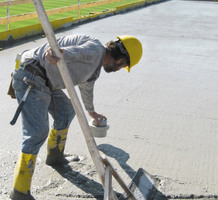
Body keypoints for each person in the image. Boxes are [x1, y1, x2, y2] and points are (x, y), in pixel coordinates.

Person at [9, 34, 142, 200]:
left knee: (66, 110)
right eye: (123, 66)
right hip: (32, 74)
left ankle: (55, 156)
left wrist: (91, 112)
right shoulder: (95, 50)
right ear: (121, 60)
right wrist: (56, 53)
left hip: (47, 80)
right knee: (36, 132)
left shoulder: (95, 65)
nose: (120, 70)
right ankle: (19, 191)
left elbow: (86, 88)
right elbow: (74, 53)